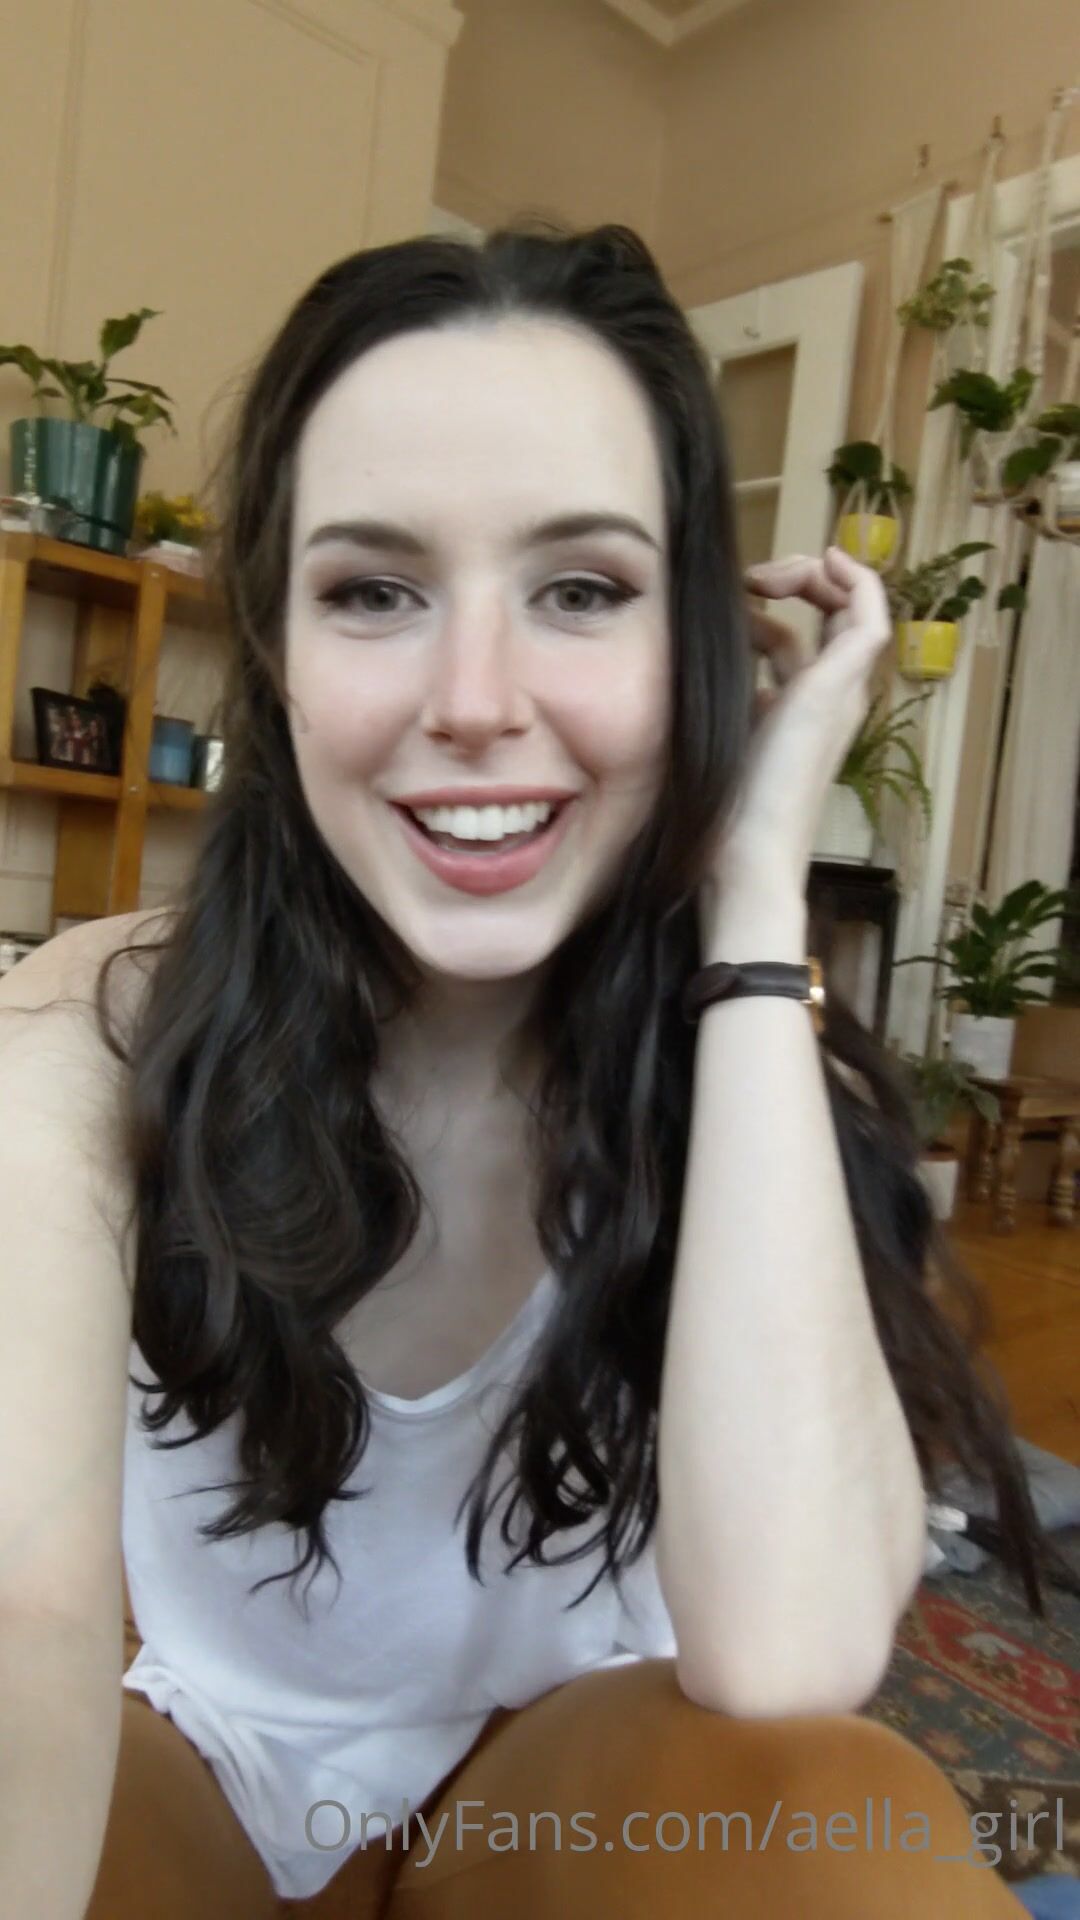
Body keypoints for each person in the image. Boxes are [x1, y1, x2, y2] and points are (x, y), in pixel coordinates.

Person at [0, 220, 1052, 1920]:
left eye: (582, 590)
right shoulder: (96, 1027)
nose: (476, 702)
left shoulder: (757, 1063)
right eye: (374, 592)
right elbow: (20, 1604)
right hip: (215, 1773)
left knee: (836, 1815)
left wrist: (755, 889)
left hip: (555, 1798)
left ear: (692, 649)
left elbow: (790, 1653)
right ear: (275, 649)